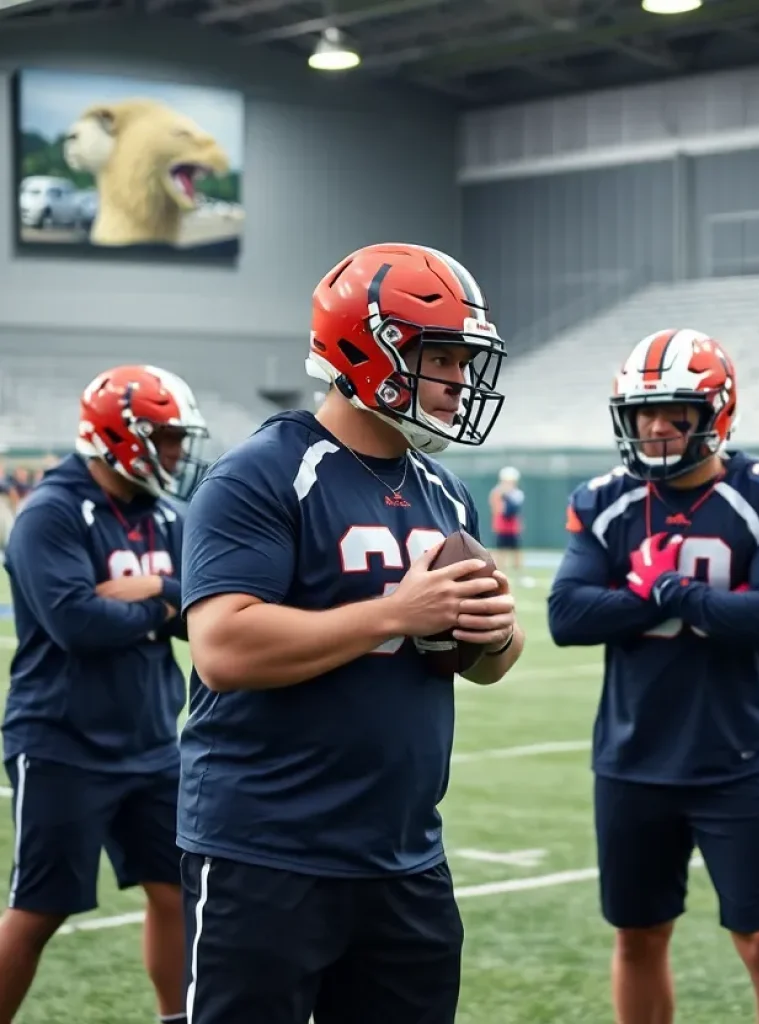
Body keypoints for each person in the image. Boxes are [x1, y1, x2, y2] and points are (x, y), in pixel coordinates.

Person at [178, 242, 525, 1024]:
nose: (460, 382)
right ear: (371, 350)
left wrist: (497, 633)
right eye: (443, 358)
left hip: (403, 855)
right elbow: (223, 648)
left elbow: (488, 663)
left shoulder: (447, 492)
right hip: (266, 851)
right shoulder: (261, 475)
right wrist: (397, 613)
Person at [548, 328, 759, 1024]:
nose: (655, 427)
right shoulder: (604, 499)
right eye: (641, 413)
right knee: (639, 936)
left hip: (736, 756)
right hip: (632, 754)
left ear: (715, 414)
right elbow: (567, 615)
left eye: (673, 412)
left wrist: (668, 592)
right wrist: (657, 599)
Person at [0, 364, 209, 1024]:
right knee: (41, 907)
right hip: (62, 741)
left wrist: (155, 595)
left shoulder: (167, 514)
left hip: (151, 739)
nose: (177, 452)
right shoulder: (51, 513)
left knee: (176, 891)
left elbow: (206, 608)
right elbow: (77, 624)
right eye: (167, 437)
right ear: (121, 435)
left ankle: (175, 1018)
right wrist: (164, 606)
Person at [489, 465, 524, 572]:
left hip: (513, 526)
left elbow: (514, 509)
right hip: (501, 526)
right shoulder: (497, 492)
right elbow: (497, 509)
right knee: (501, 550)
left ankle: (518, 571)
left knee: (516, 550)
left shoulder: (517, 493)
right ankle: (500, 569)